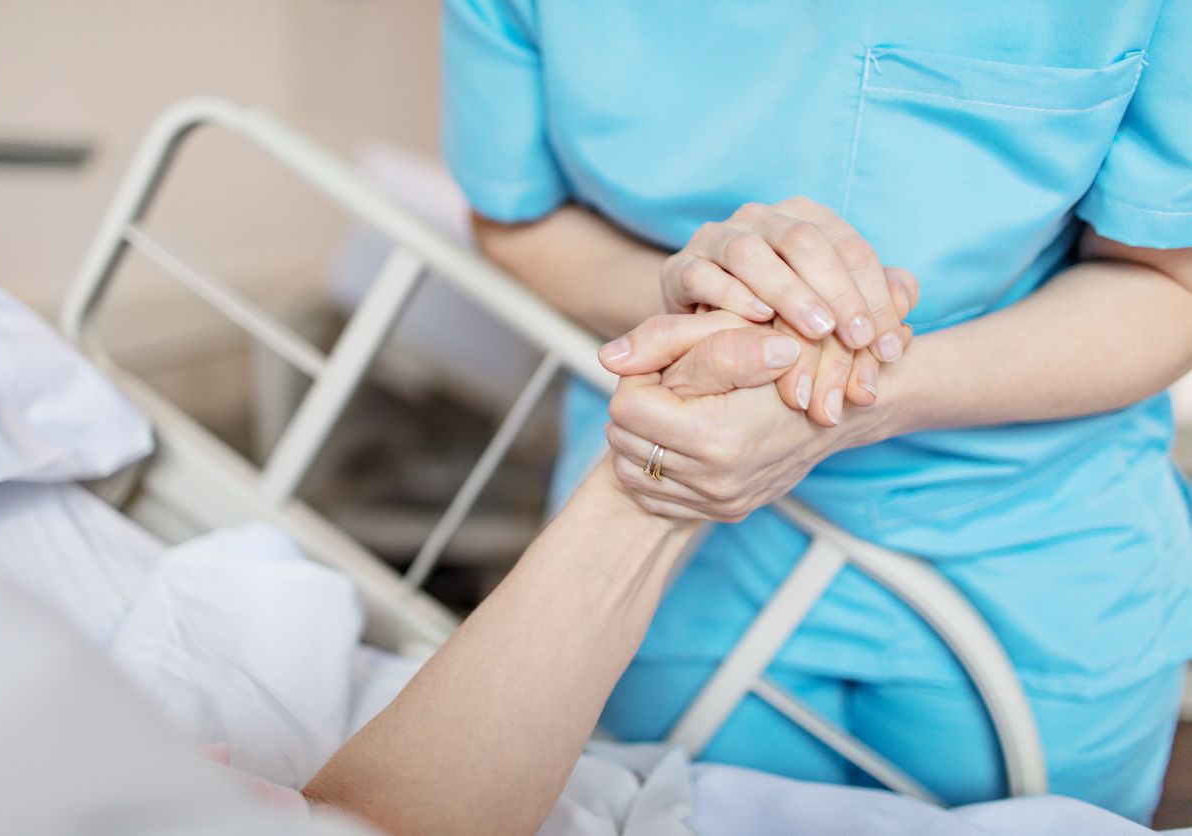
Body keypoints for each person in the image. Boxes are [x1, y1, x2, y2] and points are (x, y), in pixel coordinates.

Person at [441, 0, 1192, 821]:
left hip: (1039, 568)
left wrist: (867, 392)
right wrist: (711, 308)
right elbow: (515, 220)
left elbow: (1166, 283)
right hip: (678, 558)